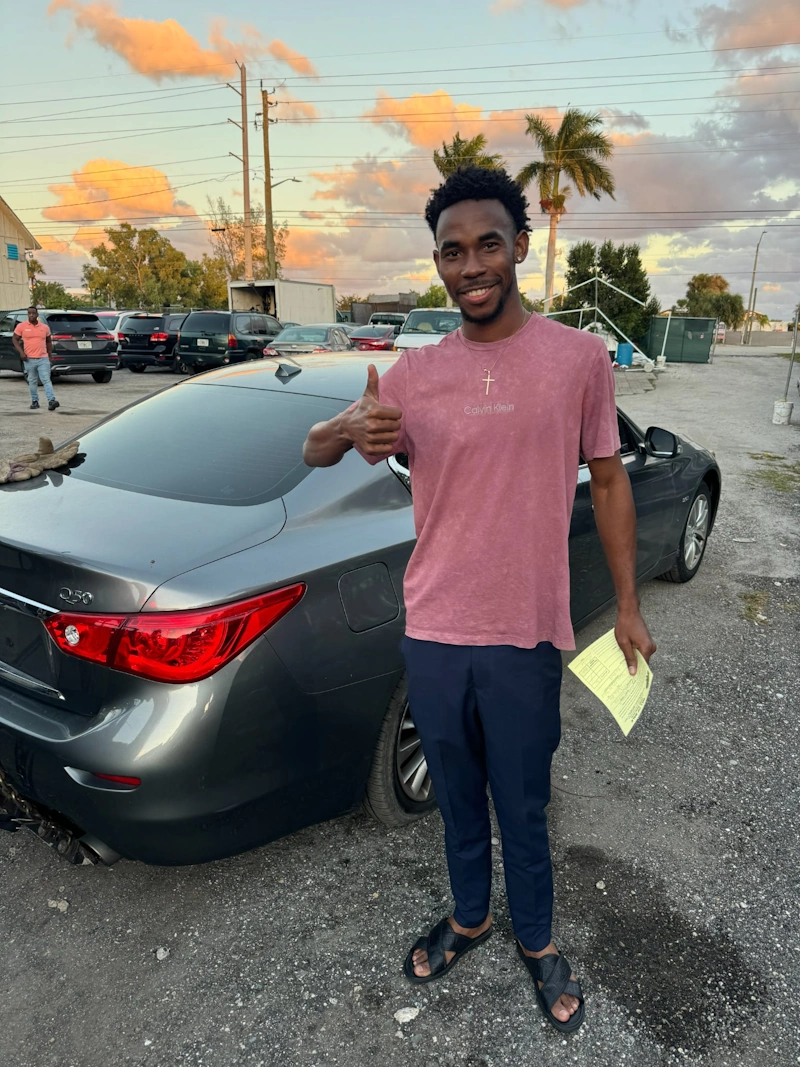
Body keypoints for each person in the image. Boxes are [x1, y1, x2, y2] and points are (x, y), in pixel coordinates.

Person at [302, 166, 656, 1033]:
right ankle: (470, 917)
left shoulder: (577, 359)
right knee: (457, 794)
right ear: (438, 263)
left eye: (487, 244)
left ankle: (537, 936)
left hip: (525, 632)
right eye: (451, 252)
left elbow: (610, 481)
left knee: (522, 800)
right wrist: (348, 426)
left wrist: (628, 604)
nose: (470, 266)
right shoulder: (413, 375)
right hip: (434, 629)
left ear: (520, 248)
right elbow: (314, 449)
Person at [13, 307, 59, 411]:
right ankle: (35, 401)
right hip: (29, 359)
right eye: (29, 313)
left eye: (33, 313)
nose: (31, 315)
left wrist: (49, 355)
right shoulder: (21, 326)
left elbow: (48, 341)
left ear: (37, 314)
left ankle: (51, 401)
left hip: (43, 358)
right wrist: (21, 352)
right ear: (27, 314)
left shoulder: (44, 327)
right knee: (32, 381)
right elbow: (15, 339)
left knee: (46, 379)